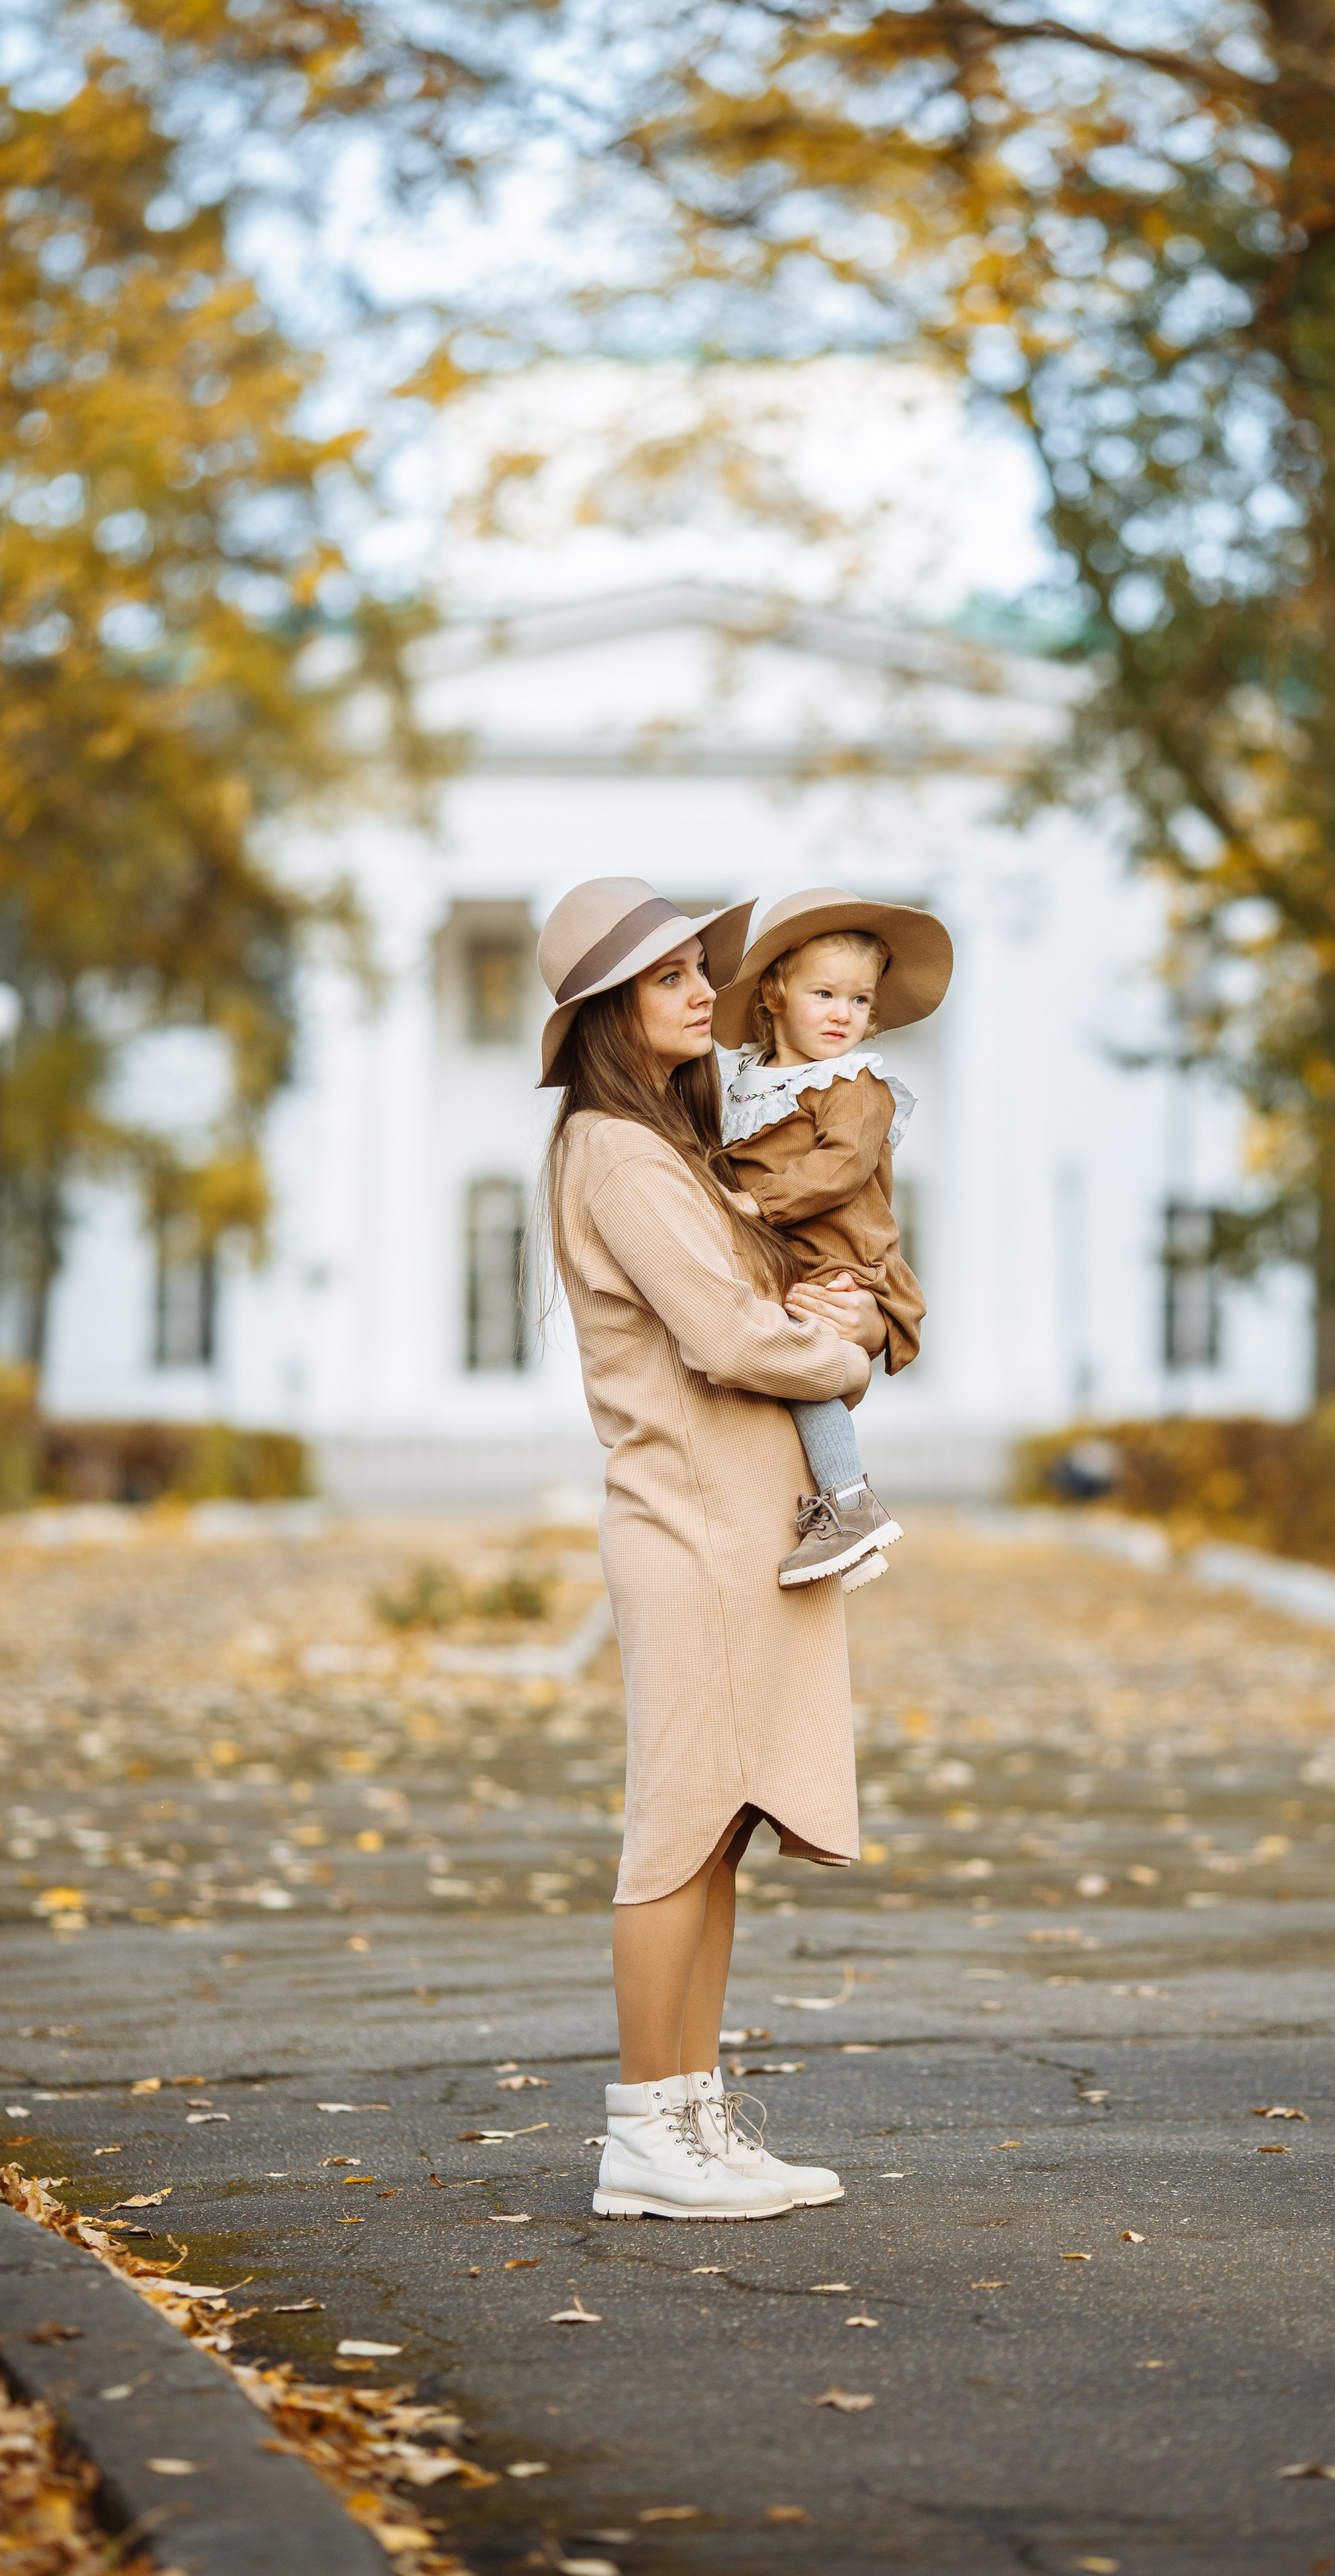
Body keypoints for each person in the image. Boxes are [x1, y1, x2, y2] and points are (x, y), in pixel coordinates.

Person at [535, 876, 890, 2222]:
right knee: (676, 1825)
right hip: (690, 1526)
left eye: (702, 970)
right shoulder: (615, 1154)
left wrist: (809, 1296)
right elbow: (727, 1341)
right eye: (673, 976)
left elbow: (749, 1303)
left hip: (743, 1528)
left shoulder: (666, 1150)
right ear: (610, 1011)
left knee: (722, 1824)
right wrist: (844, 1347)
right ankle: (644, 2128)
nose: (705, 992)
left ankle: (692, 2115)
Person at [713, 887, 953, 1591]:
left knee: (803, 1356)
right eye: (824, 994)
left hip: (838, 1255)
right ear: (774, 993)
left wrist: (757, 1203)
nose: (843, 1015)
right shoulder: (753, 1084)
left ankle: (849, 1501)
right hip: (784, 1251)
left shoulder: (854, 1082)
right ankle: (828, 1515)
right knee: (775, 1360)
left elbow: (841, 1168)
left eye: (858, 1002)